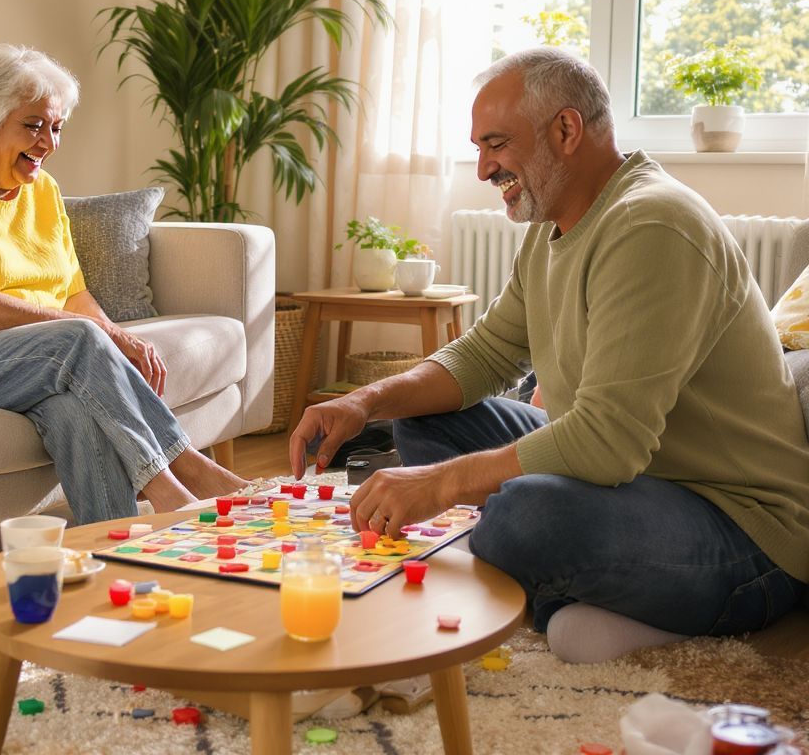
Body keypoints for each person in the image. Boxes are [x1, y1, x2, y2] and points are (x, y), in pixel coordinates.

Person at [290, 47, 809, 663]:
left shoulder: (653, 225)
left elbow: (607, 441)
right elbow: (485, 354)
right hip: (630, 482)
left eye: (497, 144)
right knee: (423, 418)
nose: (483, 168)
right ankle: (576, 593)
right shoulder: (552, 223)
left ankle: (600, 597)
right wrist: (362, 401)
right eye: (479, 148)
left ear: (566, 130)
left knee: (527, 517)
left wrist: (443, 482)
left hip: (740, 527)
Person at [0, 43, 248, 525]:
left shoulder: (42, 190)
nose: (48, 143)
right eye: (32, 126)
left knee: (71, 408)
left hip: (4, 354)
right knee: (78, 338)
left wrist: (118, 338)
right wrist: (105, 335)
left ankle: (115, 544)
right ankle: (179, 478)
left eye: (55, 128)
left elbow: (73, 293)